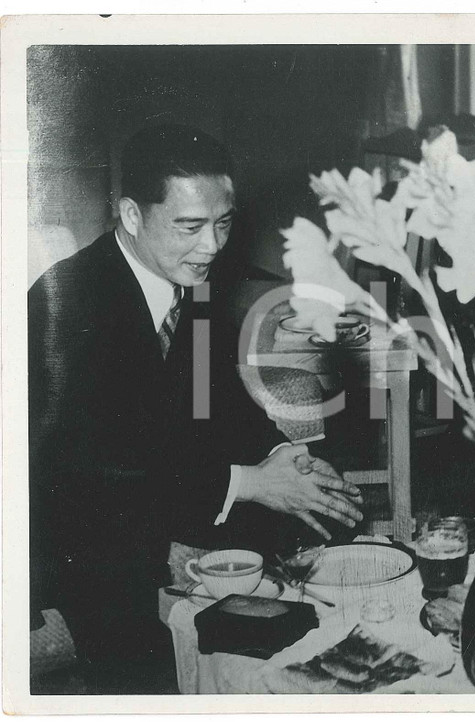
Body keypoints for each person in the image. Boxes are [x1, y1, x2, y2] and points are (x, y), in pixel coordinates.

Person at [28, 124, 364, 692]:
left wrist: (283, 456)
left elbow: (221, 401)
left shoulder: (188, 279)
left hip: (162, 500)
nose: (211, 246)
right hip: (74, 538)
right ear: (131, 215)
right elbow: (86, 476)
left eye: (223, 223)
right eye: (189, 226)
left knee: (313, 595)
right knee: (165, 659)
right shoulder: (68, 306)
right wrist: (249, 483)